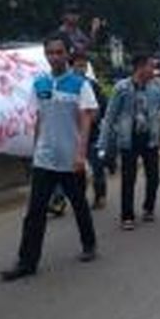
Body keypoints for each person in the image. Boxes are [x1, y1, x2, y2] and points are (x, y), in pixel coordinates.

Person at [0, 33, 99, 282]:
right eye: (50, 53)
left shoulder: (80, 84)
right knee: (35, 212)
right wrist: (35, 152)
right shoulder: (40, 84)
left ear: (67, 53)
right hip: (45, 159)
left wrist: (80, 154)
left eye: (58, 52)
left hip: (70, 159)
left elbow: (87, 120)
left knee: (78, 204)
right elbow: (38, 119)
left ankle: (89, 244)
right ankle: (26, 262)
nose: (54, 57)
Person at [98, 54, 160, 231]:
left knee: (154, 177)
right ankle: (127, 216)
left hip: (150, 138)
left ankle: (148, 208)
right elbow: (109, 117)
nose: (154, 70)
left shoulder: (157, 87)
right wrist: (102, 144)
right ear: (140, 67)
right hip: (128, 139)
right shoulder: (121, 88)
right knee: (129, 179)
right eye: (151, 66)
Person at [71, 49, 108, 209]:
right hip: (73, 136)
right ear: (71, 66)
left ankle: (100, 195)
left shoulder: (93, 85)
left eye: (84, 65)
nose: (82, 69)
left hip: (92, 134)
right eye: (78, 65)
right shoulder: (66, 86)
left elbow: (102, 108)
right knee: (73, 170)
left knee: (97, 166)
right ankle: (76, 198)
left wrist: (92, 117)